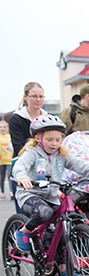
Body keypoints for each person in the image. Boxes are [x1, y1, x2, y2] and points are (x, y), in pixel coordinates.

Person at [12, 114, 89, 276]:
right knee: (44, 213)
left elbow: (80, 164)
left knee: (64, 228)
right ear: (38, 138)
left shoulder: (61, 154)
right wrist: (22, 178)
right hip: (30, 194)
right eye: (50, 139)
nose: (54, 143)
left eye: (58, 140)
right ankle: (23, 231)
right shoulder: (32, 153)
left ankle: (64, 269)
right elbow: (20, 166)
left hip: (52, 196)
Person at [9, 82, 47, 212]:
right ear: (26, 97)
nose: (38, 99)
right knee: (24, 213)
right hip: (23, 165)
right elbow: (18, 145)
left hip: (44, 168)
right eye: (34, 96)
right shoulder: (16, 118)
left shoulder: (48, 118)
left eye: (41, 96)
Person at [0, 120, 12, 199]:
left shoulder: (10, 137)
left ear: (7, 128)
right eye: (0, 127)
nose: (2, 129)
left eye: (4, 127)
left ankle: (11, 192)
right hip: (1, 160)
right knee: (2, 176)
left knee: (9, 176)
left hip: (9, 159)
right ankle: (2, 192)